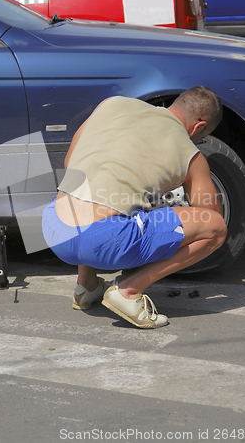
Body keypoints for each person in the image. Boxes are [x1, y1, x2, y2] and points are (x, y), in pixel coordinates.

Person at [42, 87, 227, 329]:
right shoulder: (191, 154)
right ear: (198, 127)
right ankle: (129, 291)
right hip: (101, 243)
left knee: (96, 190)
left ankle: (86, 285)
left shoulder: (111, 104)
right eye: (201, 137)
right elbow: (210, 216)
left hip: (53, 228)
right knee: (216, 230)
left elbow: (71, 162)